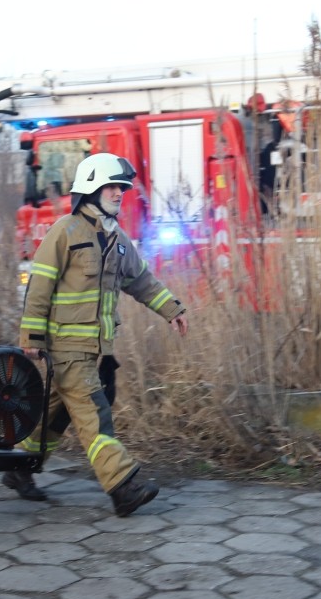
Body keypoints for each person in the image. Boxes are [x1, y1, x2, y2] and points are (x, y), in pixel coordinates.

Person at [10, 152, 189, 515]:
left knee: (57, 416)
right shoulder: (65, 231)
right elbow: (39, 287)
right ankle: (123, 486)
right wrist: (31, 338)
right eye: (112, 186)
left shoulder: (118, 239)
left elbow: (142, 281)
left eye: (122, 187)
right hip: (66, 349)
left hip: (97, 349)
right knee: (95, 416)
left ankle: (18, 469)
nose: (119, 193)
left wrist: (172, 309)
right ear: (91, 188)